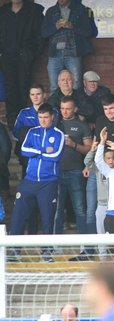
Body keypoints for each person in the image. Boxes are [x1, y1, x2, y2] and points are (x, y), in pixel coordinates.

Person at [8, 104, 64, 263]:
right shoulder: (32, 131)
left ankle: (46, 253)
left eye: (46, 117)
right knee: (18, 216)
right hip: (29, 180)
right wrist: (42, 150)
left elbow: (56, 155)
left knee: (48, 218)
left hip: (48, 182)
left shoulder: (58, 134)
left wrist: (37, 152)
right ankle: (14, 250)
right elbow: (24, 150)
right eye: (40, 117)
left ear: (52, 117)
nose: (43, 120)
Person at [0, 0, 44, 127]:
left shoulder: (32, 12)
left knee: (24, 87)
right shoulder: (3, 12)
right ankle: (12, 117)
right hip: (6, 56)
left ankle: (21, 117)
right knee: (10, 86)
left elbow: (40, 35)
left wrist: (33, 53)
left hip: (24, 56)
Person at [41, 0, 92, 93]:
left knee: (76, 86)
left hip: (73, 52)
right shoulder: (51, 11)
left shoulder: (79, 9)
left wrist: (73, 27)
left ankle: (77, 109)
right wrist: (55, 27)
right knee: (54, 87)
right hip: (55, 53)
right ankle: (54, 110)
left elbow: (88, 31)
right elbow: (43, 33)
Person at [54, 96, 93, 236]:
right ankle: (54, 244)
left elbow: (89, 148)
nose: (65, 112)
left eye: (68, 109)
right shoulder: (55, 123)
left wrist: (74, 145)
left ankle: (84, 243)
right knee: (57, 210)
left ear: (75, 109)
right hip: (57, 172)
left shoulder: (82, 125)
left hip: (76, 172)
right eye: (62, 109)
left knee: (80, 209)